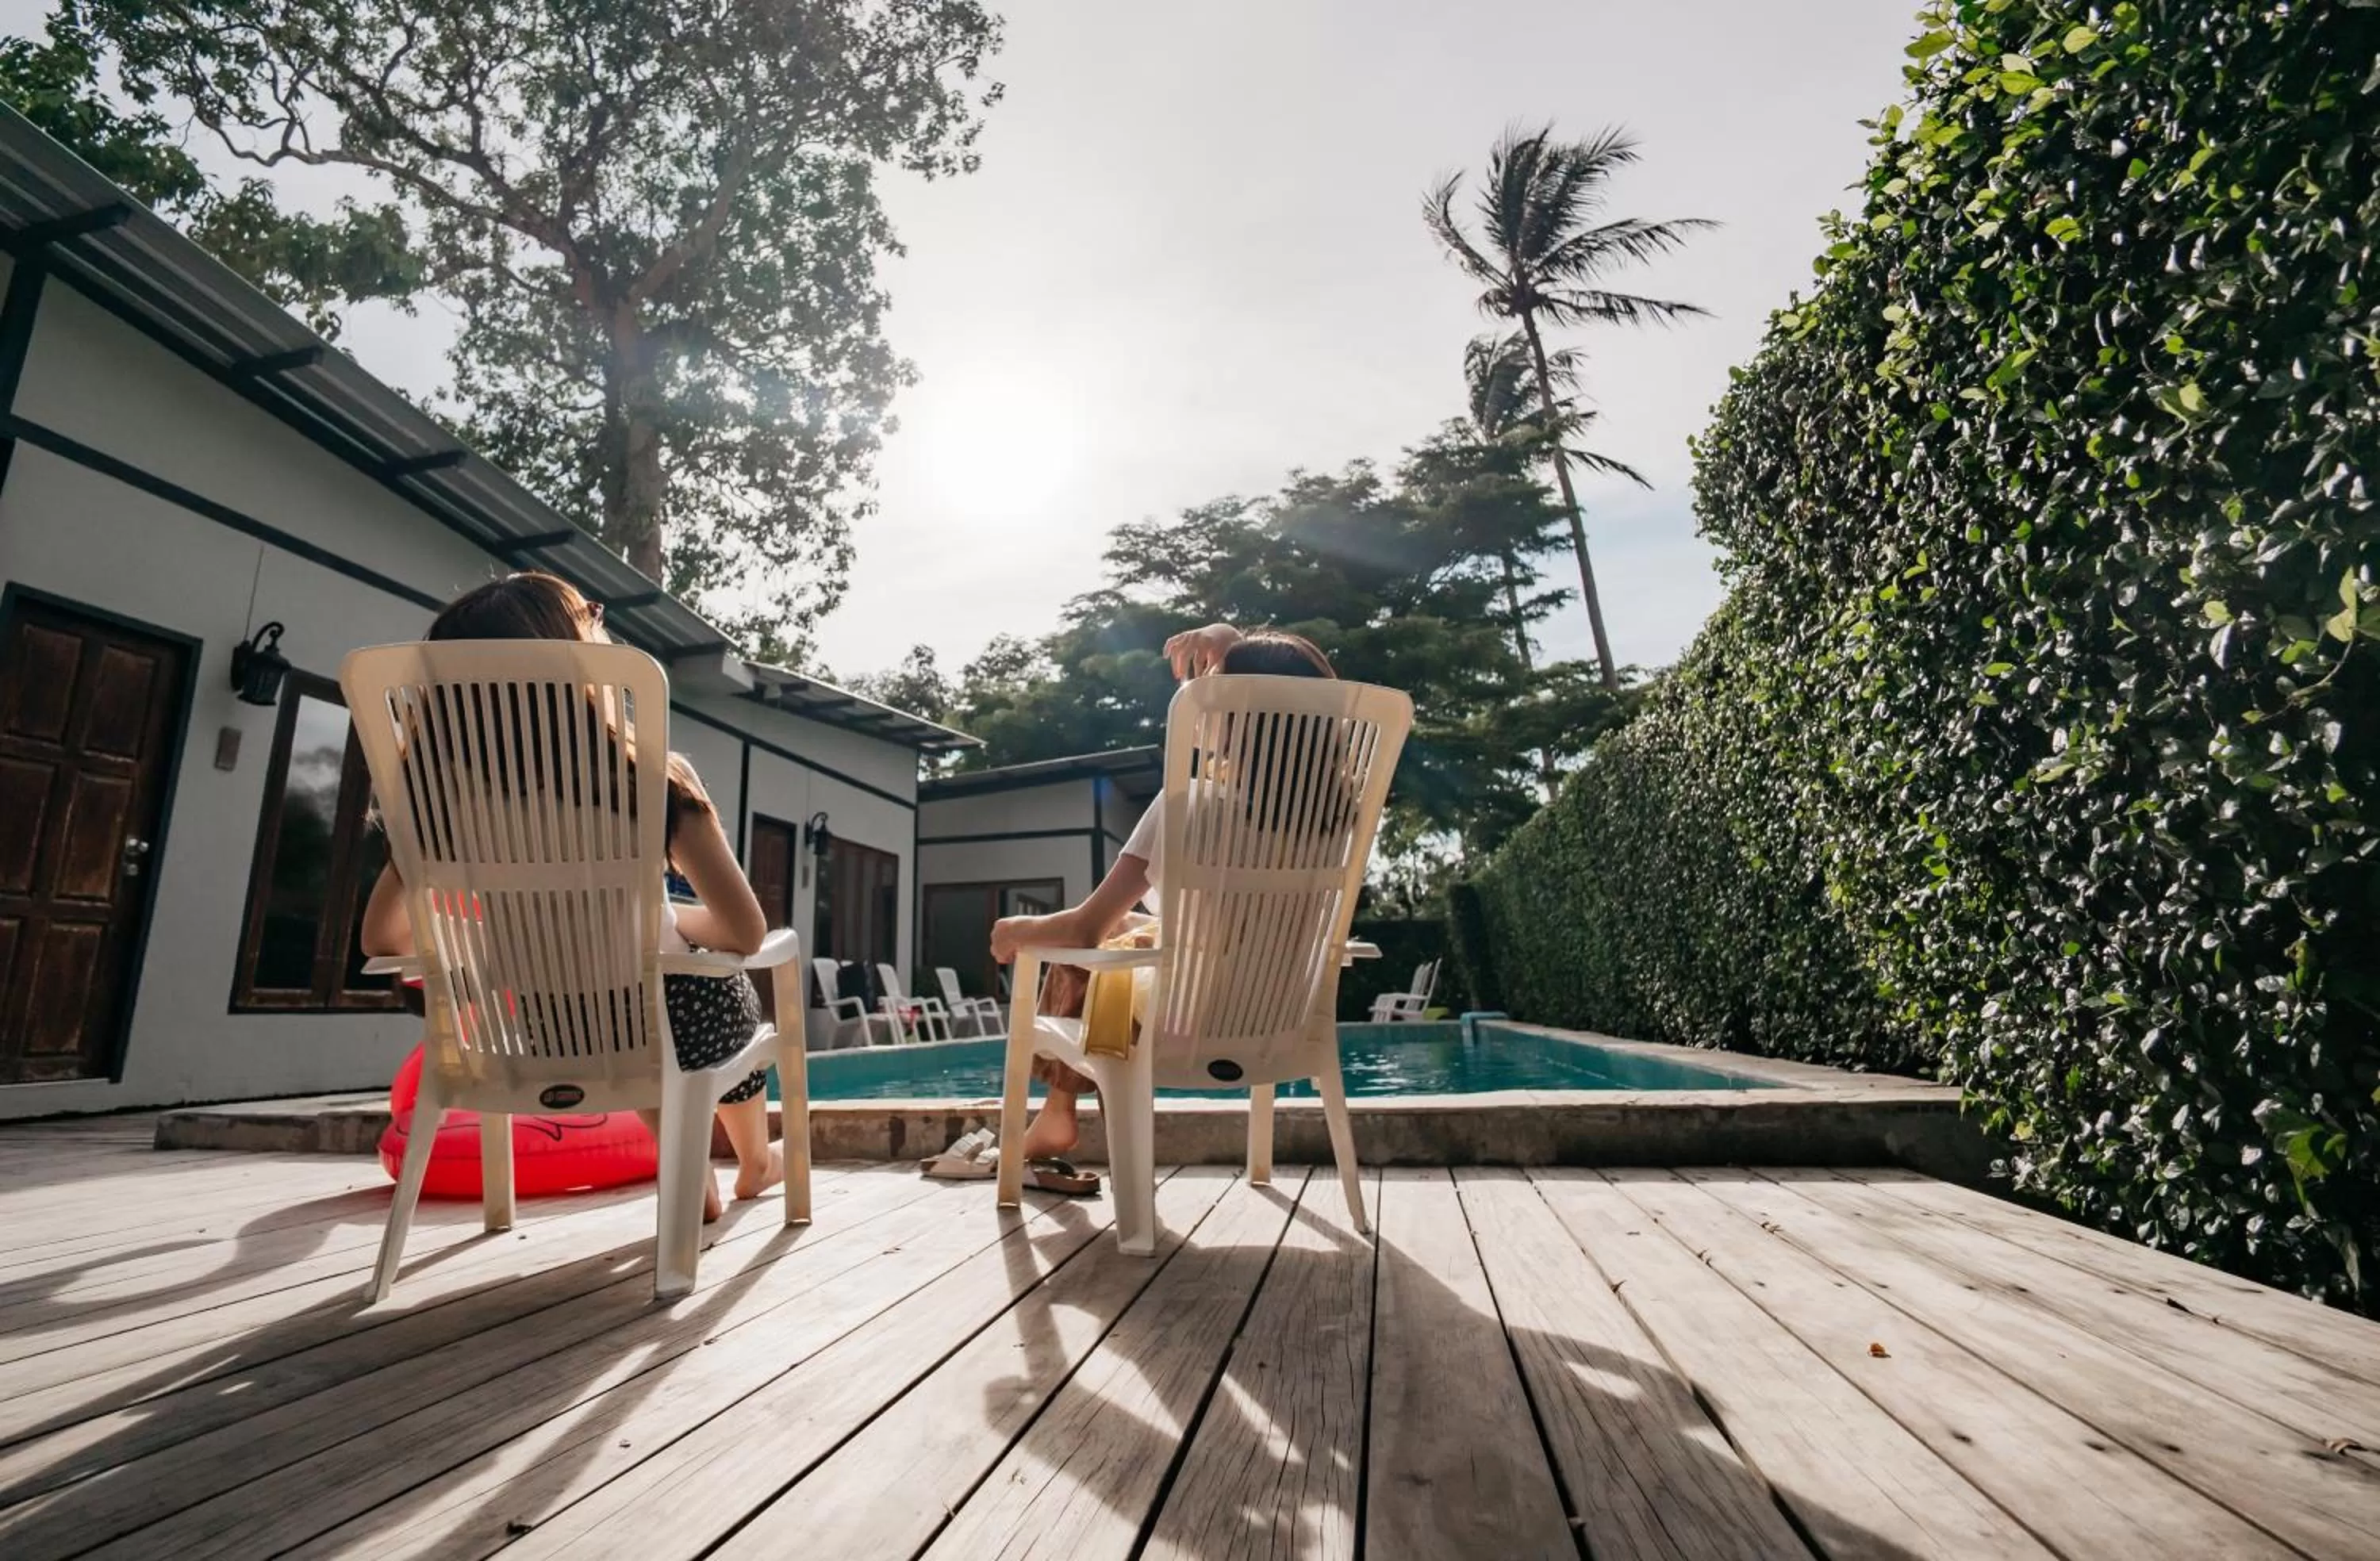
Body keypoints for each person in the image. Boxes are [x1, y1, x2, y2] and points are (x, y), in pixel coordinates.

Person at [357, 572, 783, 1222]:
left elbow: (381, 942)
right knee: (711, 988)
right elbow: (746, 933)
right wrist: (672, 924)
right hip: (665, 1020)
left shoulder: (434, 806)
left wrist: (496, 940)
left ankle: (687, 1158)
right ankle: (753, 1160)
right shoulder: (652, 778)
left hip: (535, 1028)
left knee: (609, 1002)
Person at [987, 621, 1341, 1175]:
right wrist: (1231, 641)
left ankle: (1062, 1115)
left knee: (1087, 948)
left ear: (1237, 717)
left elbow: (1083, 930)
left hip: (1185, 1022)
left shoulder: (1186, 807)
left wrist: (1014, 931)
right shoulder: (1335, 826)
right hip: (1285, 1014)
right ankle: (1058, 1114)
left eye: (1216, 686)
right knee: (1129, 932)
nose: (1203, 696)